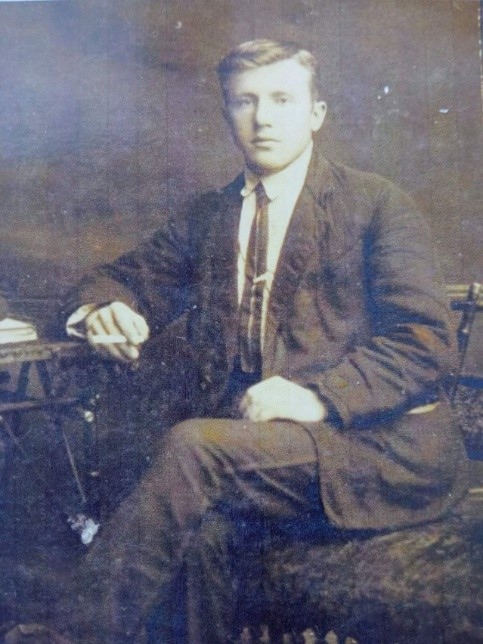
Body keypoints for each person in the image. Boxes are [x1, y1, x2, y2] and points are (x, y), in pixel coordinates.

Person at [9, 39, 469, 643]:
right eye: (244, 101)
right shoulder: (210, 217)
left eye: (281, 99)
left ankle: (69, 636)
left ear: (316, 113)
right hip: (268, 454)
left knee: (194, 447)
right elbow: (118, 278)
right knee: (200, 534)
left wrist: (319, 396)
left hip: (377, 448)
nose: (263, 118)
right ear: (226, 113)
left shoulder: (376, 204)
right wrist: (102, 309)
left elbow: (424, 342)